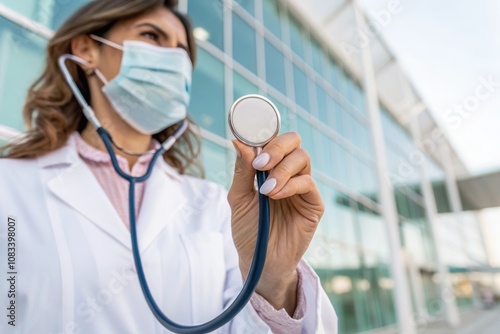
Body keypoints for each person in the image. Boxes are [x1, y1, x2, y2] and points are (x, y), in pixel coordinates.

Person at [0, 0, 337, 333]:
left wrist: (272, 280)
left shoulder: (214, 205)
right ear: (87, 50)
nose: (174, 60)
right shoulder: (10, 186)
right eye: (152, 36)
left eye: (182, 52)